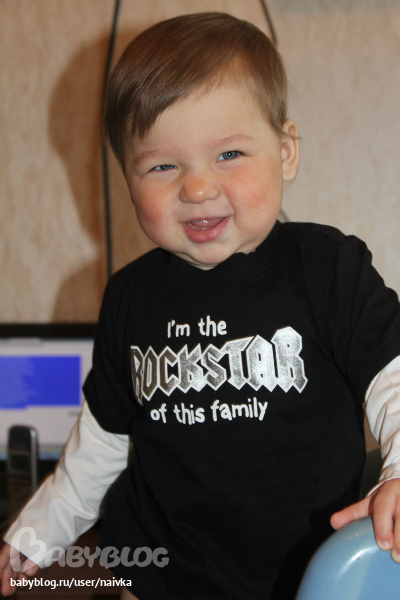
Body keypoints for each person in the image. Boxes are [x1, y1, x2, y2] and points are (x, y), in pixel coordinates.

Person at [1, 12, 400, 600]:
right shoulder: (130, 297)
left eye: (229, 153)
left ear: (285, 152)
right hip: (159, 577)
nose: (196, 187)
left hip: (303, 574)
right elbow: (101, 443)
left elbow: (392, 377)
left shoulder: (325, 268)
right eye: (162, 165)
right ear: (128, 177)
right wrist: (33, 536)